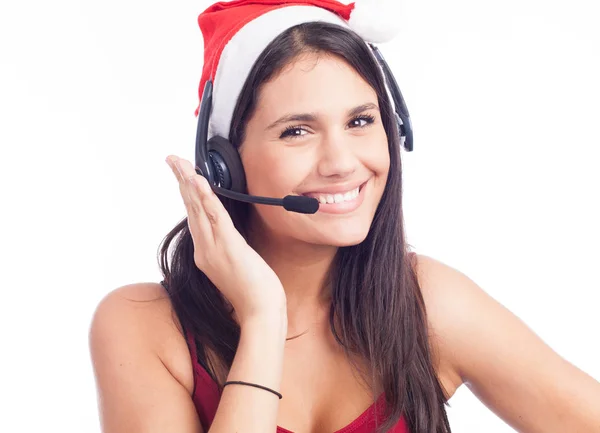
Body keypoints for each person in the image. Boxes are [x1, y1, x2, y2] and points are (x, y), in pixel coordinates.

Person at [89, 1, 600, 432]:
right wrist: (263, 319)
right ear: (225, 163)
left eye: (360, 121)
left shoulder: (431, 305)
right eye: (297, 131)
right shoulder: (142, 326)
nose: (341, 163)